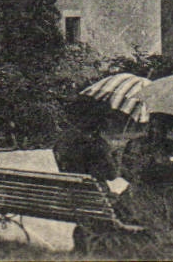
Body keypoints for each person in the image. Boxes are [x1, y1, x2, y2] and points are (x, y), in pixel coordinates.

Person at [95, 114, 173, 259]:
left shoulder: (135, 144)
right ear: (172, 127)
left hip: (134, 200)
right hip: (164, 204)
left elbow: (126, 173)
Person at [53, 97, 120, 253]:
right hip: (97, 200)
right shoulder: (98, 144)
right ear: (100, 120)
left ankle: (85, 244)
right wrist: (113, 157)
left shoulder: (63, 140)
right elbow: (112, 174)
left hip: (71, 198)